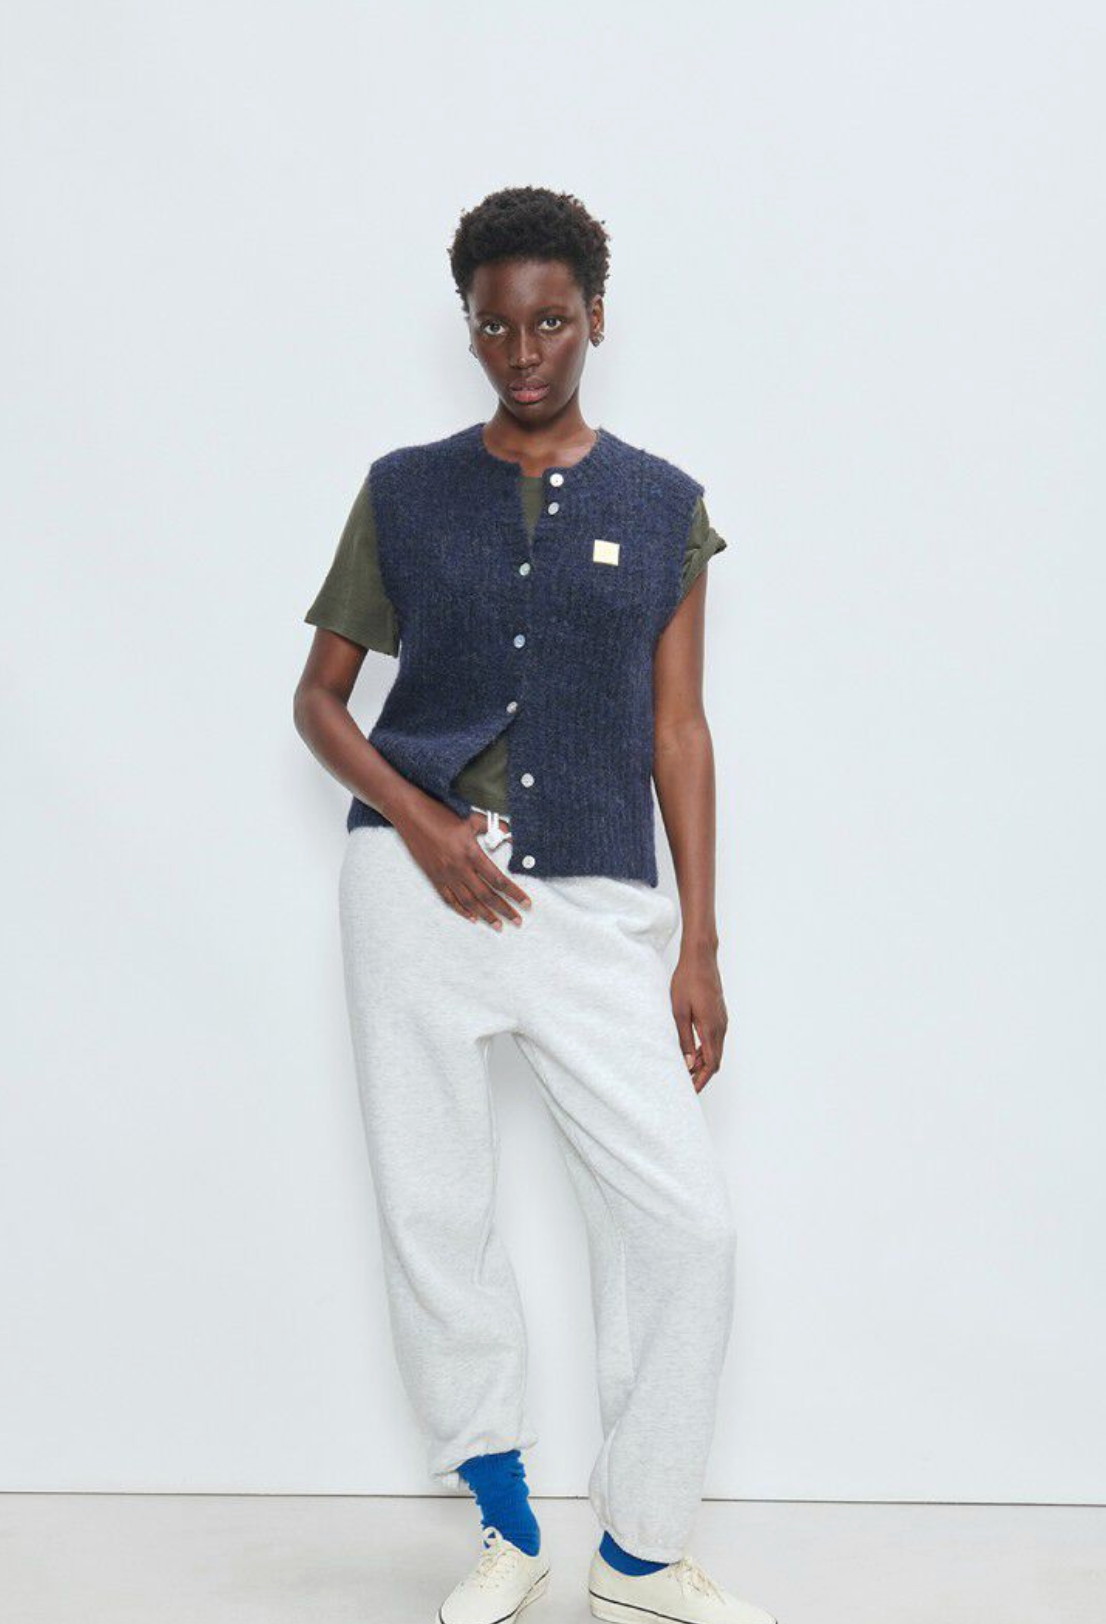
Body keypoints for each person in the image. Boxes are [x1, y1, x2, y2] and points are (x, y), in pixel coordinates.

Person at [293, 185, 776, 1624]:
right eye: (495, 325)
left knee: (685, 1228)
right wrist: (426, 825)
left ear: (595, 320)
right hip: (413, 892)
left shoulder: (663, 505)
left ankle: (637, 1552)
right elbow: (319, 704)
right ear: (470, 328)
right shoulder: (402, 489)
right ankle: (504, 1529)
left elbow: (677, 732)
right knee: (434, 1210)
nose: (523, 350)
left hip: (592, 901)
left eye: (550, 321)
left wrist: (697, 943)